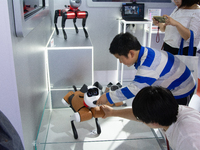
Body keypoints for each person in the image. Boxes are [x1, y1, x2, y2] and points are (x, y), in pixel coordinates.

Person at [96, 32, 196, 106]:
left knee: (173, 118)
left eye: (119, 58)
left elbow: (135, 89)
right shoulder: (146, 52)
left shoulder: (148, 65)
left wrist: (108, 97)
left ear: (131, 53)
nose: (120, 62)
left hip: (182, 89)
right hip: (173, 82)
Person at [100, 86, 200, 150]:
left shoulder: (187, 140)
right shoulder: (170, 109)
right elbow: (138, 114)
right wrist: (112, 112)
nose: (139, 119)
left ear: (154, 122)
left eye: (142, 119)